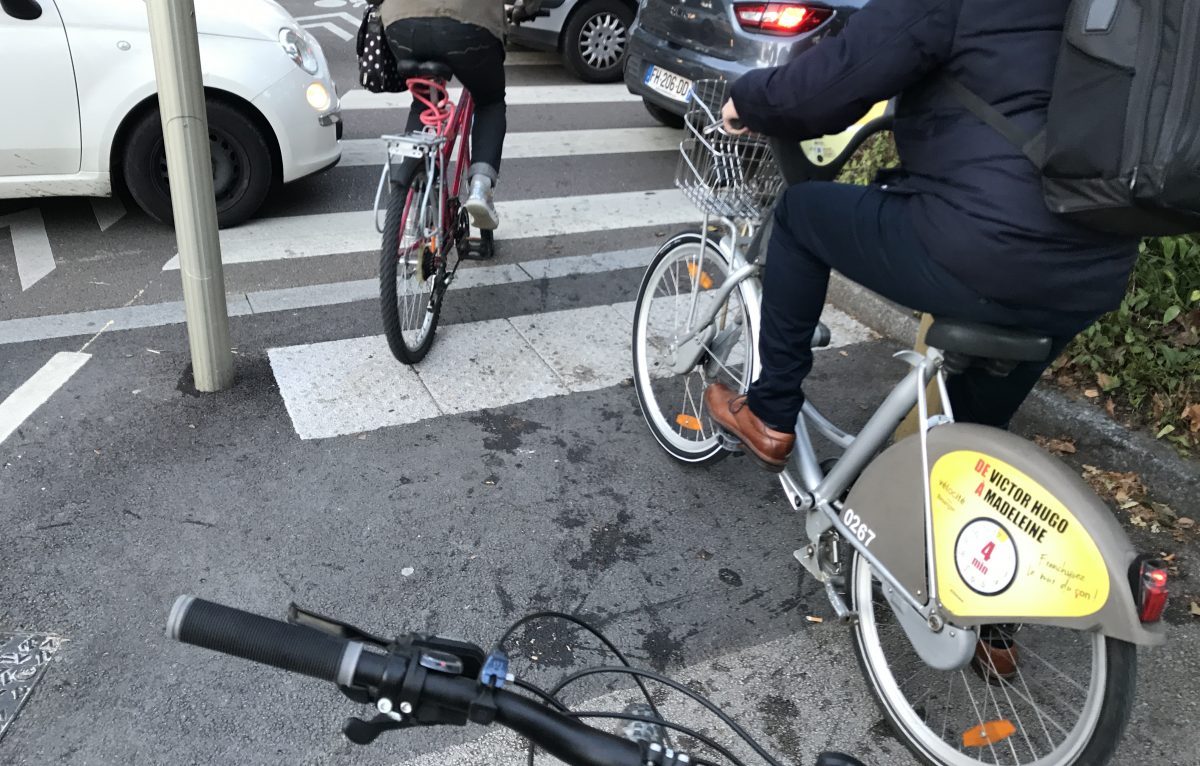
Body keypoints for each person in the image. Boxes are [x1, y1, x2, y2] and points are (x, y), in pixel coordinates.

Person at [704, 0, 1140, 473]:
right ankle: (896, 512)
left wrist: (747, 100)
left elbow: (831, 82)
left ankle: (770, 411)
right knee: (964, 446)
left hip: (985, 245)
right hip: (1094, 268)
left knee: (799, 213)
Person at [375, 0, 542, 230]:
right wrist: (528, 8)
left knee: (422, 102)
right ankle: (480, 190)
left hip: (401, 23)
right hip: (469, 25)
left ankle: (415, 199)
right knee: (489, 100)